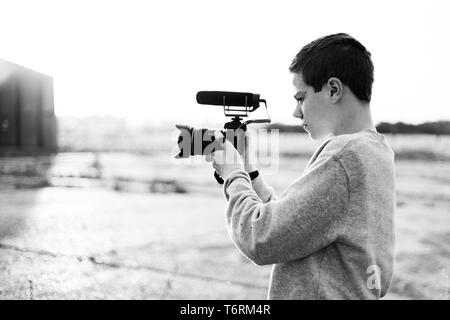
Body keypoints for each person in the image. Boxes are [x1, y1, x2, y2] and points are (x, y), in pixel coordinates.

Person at [205, 33, 396, 300]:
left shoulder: (345, 156)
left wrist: (231, 172)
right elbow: (293, 225)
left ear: (333, 89)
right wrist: (248, 170)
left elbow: (261, 237)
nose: (296, 112)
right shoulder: (376, 152)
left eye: (300, 98)